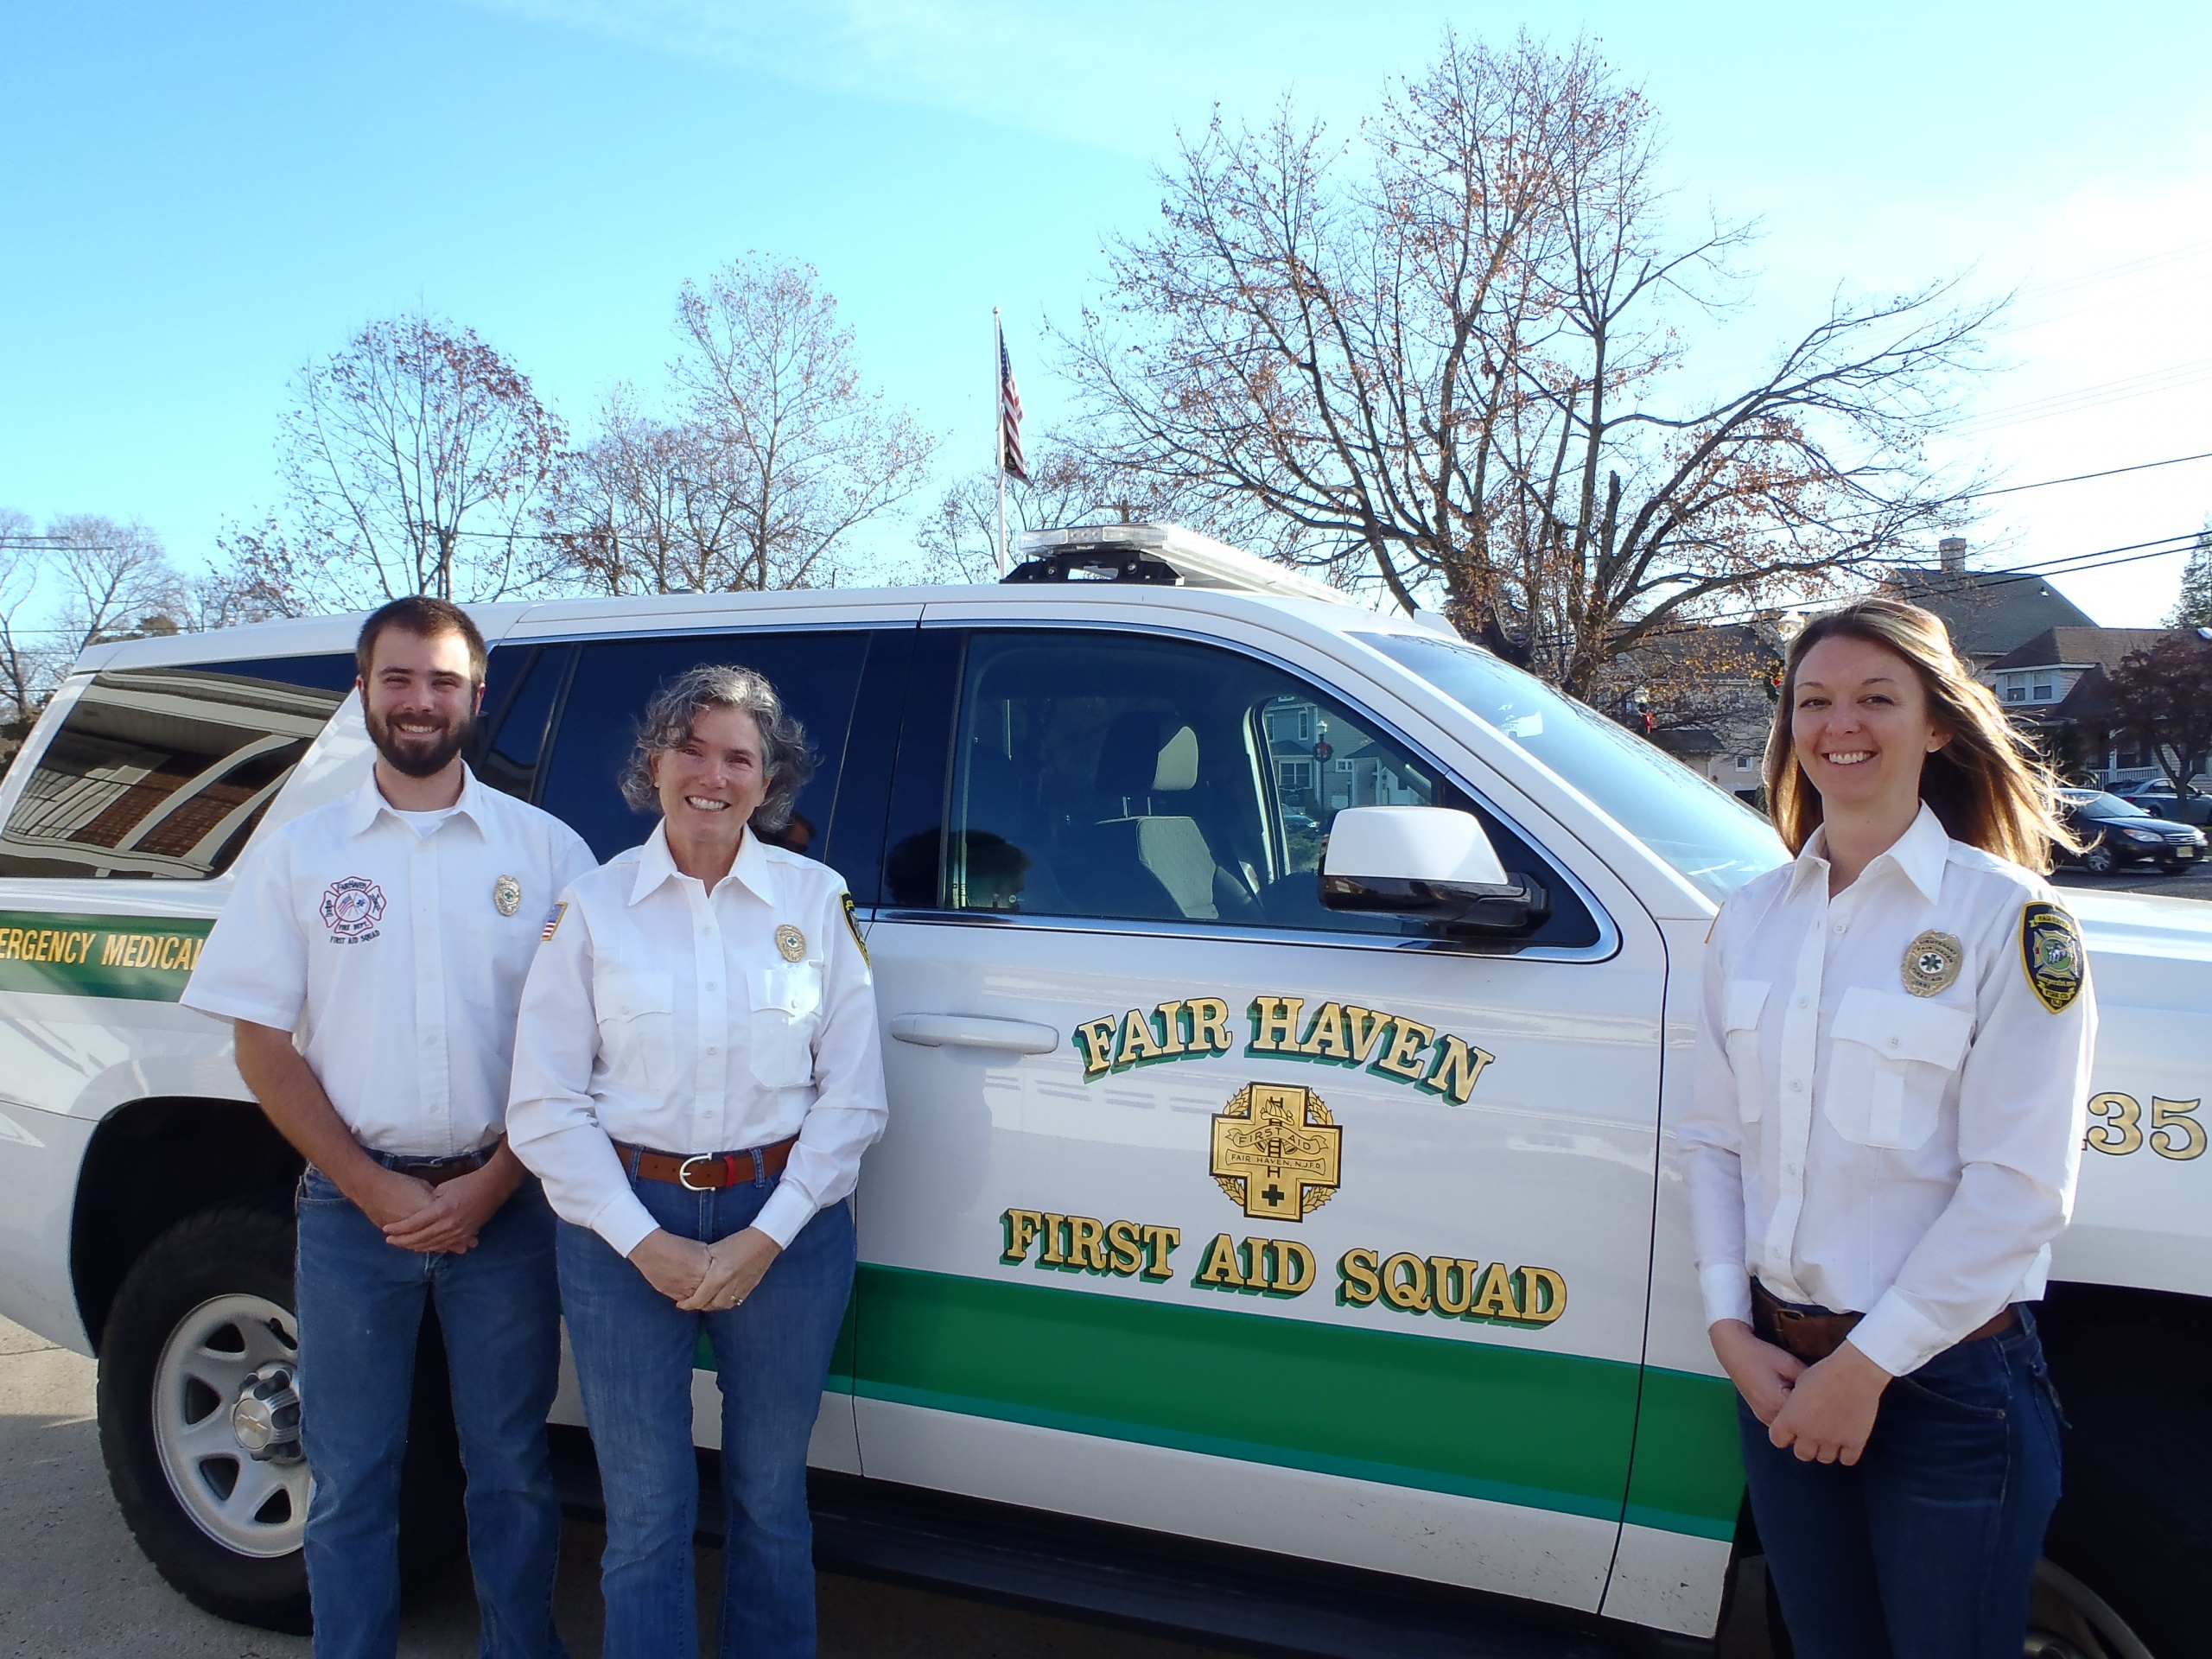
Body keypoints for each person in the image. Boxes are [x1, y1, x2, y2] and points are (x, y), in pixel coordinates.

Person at [181, 597, 598, 1659]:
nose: (421, 702)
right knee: (351, 1472)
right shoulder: (296, 855)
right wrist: (375, 1189)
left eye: (444, 682)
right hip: (347, 1216)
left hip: (505, 1210)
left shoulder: (550, 853)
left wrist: (493, 1184)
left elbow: (586, 1048)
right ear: (362, 689)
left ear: (478, 697)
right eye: (400, 679)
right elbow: (262, 1047)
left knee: (509, 1467)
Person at [1682, 598, 2096, 1658]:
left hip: (1945, 1394)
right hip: (1776, 1371)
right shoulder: (1750, 919)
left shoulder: (2010, 920)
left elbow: (2020, 1191)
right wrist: (1731, 1329)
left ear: (1938, 725)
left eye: (1876, 698)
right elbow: (1716, 1143)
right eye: (1812, 701)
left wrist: (1859, 1372)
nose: (1840, 725)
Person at [505, 664, 887, 1659]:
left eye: (739, 758)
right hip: (620, 1221)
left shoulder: (818, 899)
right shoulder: (591, 908)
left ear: (769, 781)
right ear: (653, 763)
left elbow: (853, 1099)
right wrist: (645, 1244)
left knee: (770, 1500)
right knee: (644, 1510)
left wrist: (765, 1237)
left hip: (786, 1227)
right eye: (692, 749)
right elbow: (543, 1108)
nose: (712, 776)